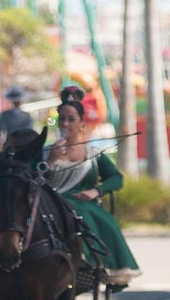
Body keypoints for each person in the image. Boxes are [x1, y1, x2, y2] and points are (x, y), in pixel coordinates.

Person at [45, 97, 140, 288]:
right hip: (51, 202)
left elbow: (116, 178)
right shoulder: (45, 152)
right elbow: (32, 177)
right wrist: (50, 160)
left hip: (83, 202)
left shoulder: (93, 154)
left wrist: (96, 191)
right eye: (61, 118)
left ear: (81, 122)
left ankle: (94, 262)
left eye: (71, 119)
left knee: (104, 220)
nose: (65, 123)